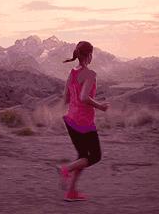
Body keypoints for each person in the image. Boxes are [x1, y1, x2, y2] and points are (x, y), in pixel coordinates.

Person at [56, 41, 109, 202]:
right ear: (89, 55)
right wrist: (100, 106)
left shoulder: (72, 72)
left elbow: (66, 97)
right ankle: (66, 169)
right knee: (95, 156)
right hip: (84, 123)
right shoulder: (90, 74)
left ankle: (71, 192)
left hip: (70, 120)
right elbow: (84, 97)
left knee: (82, 156)